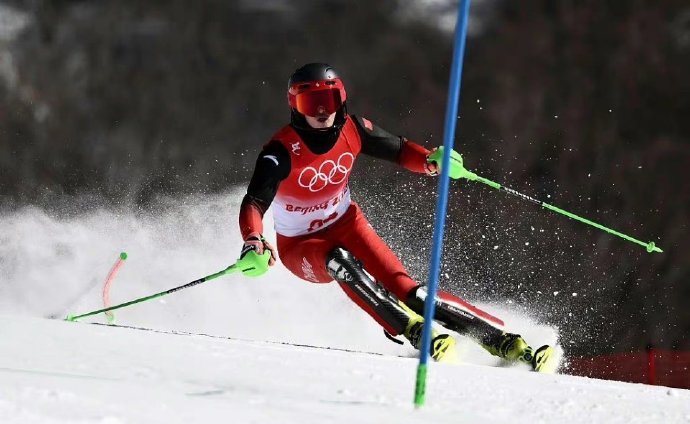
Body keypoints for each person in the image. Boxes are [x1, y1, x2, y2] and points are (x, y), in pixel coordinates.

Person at [236, 63, 555, 371]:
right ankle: (414, 331)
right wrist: (254, 239)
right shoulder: (279, 151)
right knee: (338, 258)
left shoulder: (353, 129)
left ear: (341, 99)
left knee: (410, 291)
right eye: (311, 103)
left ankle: (508, 343)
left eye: (328, 101)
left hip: (347, 224)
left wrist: (431, 161)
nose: (321, 111)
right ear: (295, 106)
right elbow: (254, 202)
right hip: (301, 247)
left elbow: (400, 150)